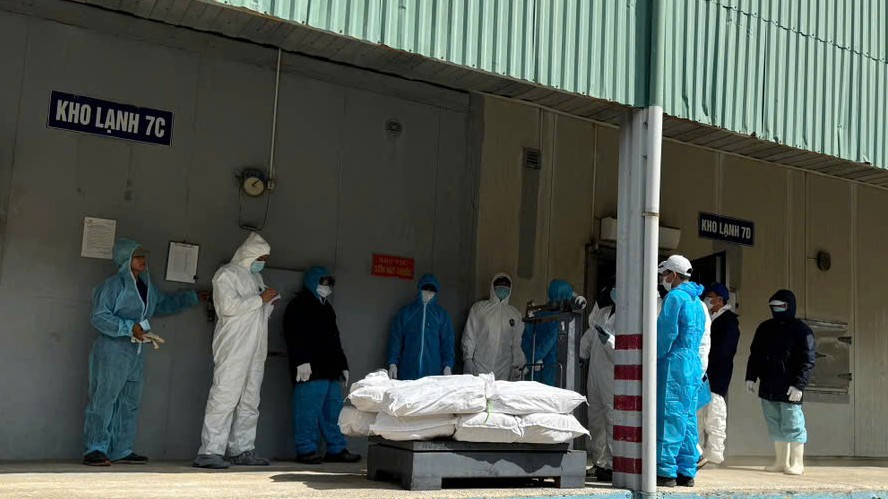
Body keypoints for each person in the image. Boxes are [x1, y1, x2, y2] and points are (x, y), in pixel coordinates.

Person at [83, 239, 202, 466]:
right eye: (138, 257)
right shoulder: (112, 286)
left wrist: (192, 298)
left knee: (130, 400)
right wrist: (129, 328)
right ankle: (95, 449)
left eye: (143, 256)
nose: (143, 260)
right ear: (125, 259)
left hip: (135, 351)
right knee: (104, 399)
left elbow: (162, 304)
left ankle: (120, 449)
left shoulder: (145, 286)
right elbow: (99, 317)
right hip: (112, 351)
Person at [194, 232, 278, 469]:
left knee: (250, 399)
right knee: (225, 395)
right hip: (234, 346)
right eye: (260, 257)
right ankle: (210, 451)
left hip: (255, 346)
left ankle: (242, 448)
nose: (262, 262)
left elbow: (257, 312)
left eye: (265, 258)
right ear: (248, 254)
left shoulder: (256, 277)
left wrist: (268, 304)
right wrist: (260, 299)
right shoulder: (226, 274)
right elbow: (228, 307)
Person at [284, 266, 361, 465]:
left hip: (330, 369)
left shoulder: (326, 308)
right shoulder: (299, 305)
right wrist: (301, 361)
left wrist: (342, 364)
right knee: (307, 411)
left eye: (330, 283)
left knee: (333, 411)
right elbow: (294, 335)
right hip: (310, 370)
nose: (327, 287)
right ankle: (306, 449)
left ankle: (336, 448)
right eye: (324, 282)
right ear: (313, 281)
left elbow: (335, 339)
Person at [745, 290, 815, 475]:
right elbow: (756, 355)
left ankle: (797, 462)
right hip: (768, 386)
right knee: (774, 424)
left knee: (793, 423)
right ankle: (781, 461)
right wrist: (751, 376)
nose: (776, 310)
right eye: (773, 306)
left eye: (781, 306)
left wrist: (799, 384)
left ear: (790, 306)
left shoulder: (802, 331)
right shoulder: (765, 328)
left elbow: (807, 360)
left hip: (790, 387)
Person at [655, 255, 706, 488]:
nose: (663, 279)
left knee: (670, 416)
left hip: (674, 364)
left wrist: (651, 356)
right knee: (687, 419)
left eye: (664, 275)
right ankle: (687, 471)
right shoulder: (697, 302)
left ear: (673, 275)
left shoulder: (674, 297)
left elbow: (665, 334)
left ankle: (665, 471)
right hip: (693, 364)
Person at [697, 283, 740, 468]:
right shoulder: (709, 317)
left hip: (717, 375)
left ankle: (714, 455)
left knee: (715, 416)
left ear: (720, 299)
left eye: (711, 296)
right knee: (698, 414)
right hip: (703, 374)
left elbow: (724, 350)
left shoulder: (729, 321)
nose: (707, 299)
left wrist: (707, 363)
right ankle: (697, 453)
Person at [579, 284, 616, 482]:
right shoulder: (603, 312)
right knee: (595, 417)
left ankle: (612, 464)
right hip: (595, 371)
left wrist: (609, 340)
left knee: (612, 417)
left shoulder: (629, 315)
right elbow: (590, 334)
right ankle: (598, 461)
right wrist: (582, 353)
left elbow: (625, 348)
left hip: (612, 373)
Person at [387, 274, 455, 380]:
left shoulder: (441, 315)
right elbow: (396, 339)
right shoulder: (406, 313)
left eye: (432, 289)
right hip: (408, 371)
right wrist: (393, 363)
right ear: (419, 288)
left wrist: (448, 366)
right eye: (425, 288)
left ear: (436, 291)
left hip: (433, 373)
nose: (428, 291)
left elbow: (447, 343)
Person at [521, 279, 586, 387]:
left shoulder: (538, 314)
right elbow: (546, 345)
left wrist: (531, 359)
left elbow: (525, 341)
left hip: (535, 371)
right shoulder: (559, 319)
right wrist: (537, 356)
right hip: (552, 372)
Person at [462, 273, 525, 380]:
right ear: (492, 287)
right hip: (480, 365)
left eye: (506, 287)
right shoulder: (479, 308)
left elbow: (517, 342)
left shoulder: (515, 314)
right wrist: (468, 358)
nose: (503, 289)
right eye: (500, 286)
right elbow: (470, 335)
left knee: (500, 395)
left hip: (504, 368)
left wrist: (517, 365)